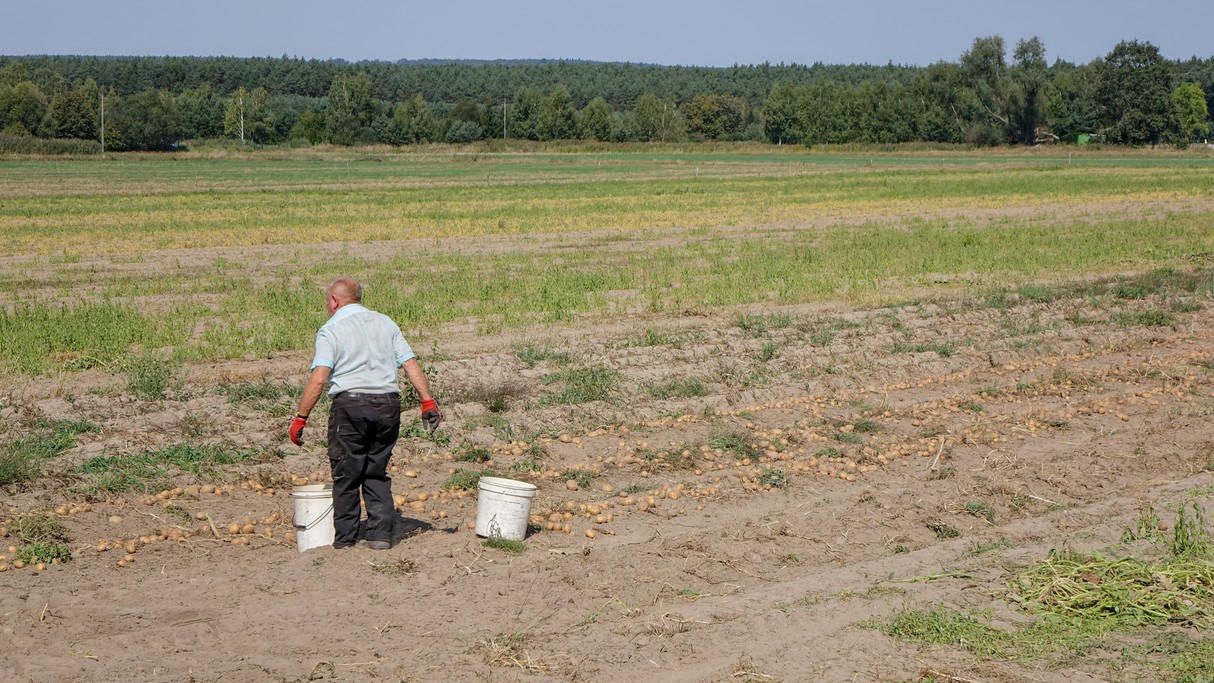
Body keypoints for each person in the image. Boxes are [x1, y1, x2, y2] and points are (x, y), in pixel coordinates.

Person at [289, 277, 442, 549]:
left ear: (334, 301)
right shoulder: (386, 323)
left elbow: (319, 378)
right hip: (388, 405)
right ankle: (380, 535)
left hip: (350, 406)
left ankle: (345, 539)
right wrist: (427, 402)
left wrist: (301, 417)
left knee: (347, 473)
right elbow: (410, 364)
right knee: (376, 470)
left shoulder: (330, 329)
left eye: (328, 301)